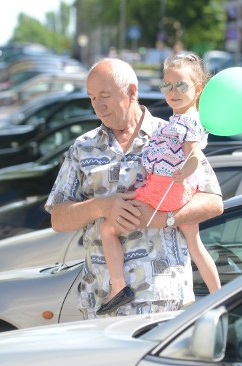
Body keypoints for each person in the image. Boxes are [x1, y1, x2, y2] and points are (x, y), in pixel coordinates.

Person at [45, 58, 223, 319]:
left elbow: (213, 202)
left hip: (166, 302)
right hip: (104, 304)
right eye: (92, 98)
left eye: (105, 96)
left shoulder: (173, 134)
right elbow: (58, 219)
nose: (98, 106)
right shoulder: (82, 148)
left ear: (131, 91)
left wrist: (165, 218)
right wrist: (101, 206)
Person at [97, 52, 221, 315]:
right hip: (179, 192)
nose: (173, 91)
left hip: (165, 191)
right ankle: (219, 297)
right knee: (196, 246)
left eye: (181, 85)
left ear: (198, 89)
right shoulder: (184, 119)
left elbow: (195, 155)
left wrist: (183, 172)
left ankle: (118, 286)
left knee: (108, 229)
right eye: (168, 85)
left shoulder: (186, 122)